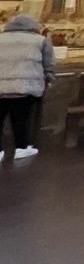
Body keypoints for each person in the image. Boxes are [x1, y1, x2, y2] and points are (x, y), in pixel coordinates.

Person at [0, 15, 56, 161]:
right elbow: (48, 64)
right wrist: (49, 79)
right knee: (21, 119)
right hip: (26, 86)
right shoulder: (40, 40)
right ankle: (22, 148)